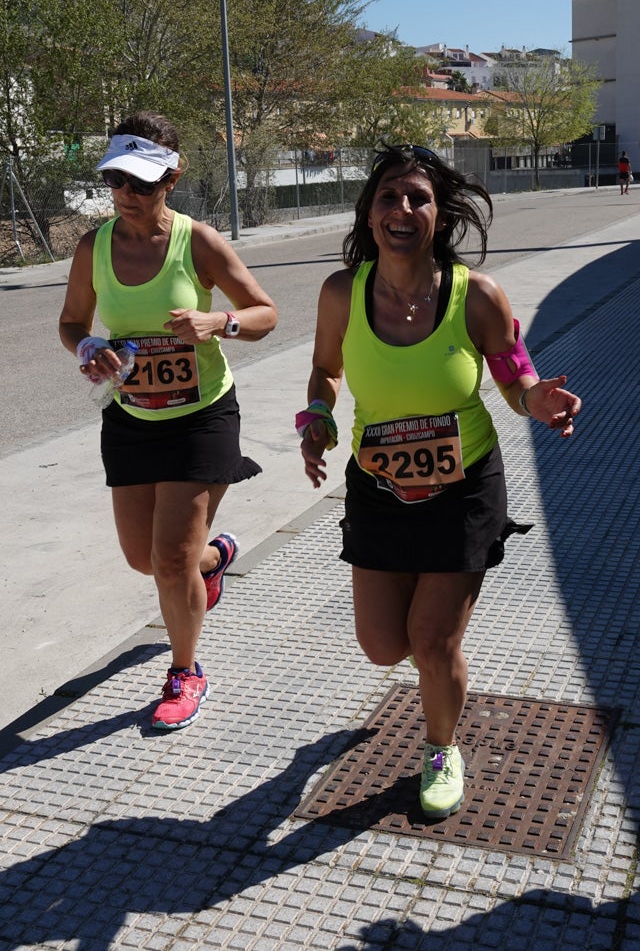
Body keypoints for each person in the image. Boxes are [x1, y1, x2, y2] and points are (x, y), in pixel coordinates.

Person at [298, 143, 581, 820]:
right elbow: (325, 369)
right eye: (389, 196)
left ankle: (439, 749)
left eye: (417, 198)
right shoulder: (342, 292)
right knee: (381, 646)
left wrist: (534, 396)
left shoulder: (475, 294)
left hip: (463, 491)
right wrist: (316, 416)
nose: (402, 209)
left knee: (431, 643)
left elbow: (514, 371)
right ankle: (433, 699)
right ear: (369, 213)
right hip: (378, 490)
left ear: (439, 214)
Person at [59, 111, 278, 730]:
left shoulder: (198, 241)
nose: (127, 195)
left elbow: (265, 312)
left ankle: (186, 672)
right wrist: (87, 349)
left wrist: (219, 323)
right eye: (117, 181)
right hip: (131, 416)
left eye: (143, 183)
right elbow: (72, 321)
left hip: (201, 418)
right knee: (144, 558)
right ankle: (213, 559)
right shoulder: (94, 245)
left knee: (168, 563)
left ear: (172, 179)